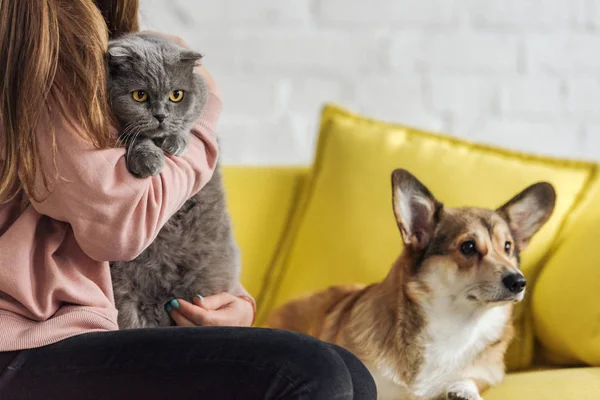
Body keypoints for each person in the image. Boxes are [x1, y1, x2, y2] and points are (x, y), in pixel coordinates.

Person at [0, 1, 377, 399]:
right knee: (310, 372)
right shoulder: (41, 41)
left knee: (351, 373)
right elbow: (119, 227)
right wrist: (203, 114)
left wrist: (228, 299)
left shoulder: (100, 30)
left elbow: (142, 215)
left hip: (76, 325)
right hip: (22, 339)